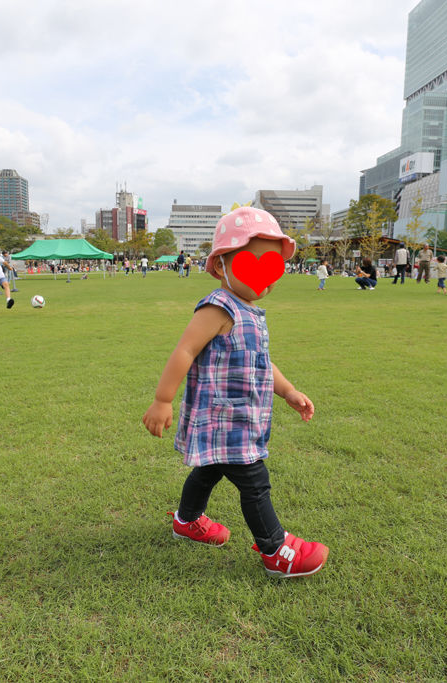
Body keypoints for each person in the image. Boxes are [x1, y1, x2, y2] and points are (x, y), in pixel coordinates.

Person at [141, 205, 329, 578]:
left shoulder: (250, 312)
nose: (264, 276)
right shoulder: (218, 308)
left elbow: (262, 362)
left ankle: (186, 520)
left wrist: (288, 391)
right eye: (251, 263)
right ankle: (275, 550)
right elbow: (184, 351)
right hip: (224, 418)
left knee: (208, 471)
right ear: (220, 265)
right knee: (254, 482)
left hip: (241, 415)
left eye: (272, 266)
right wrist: (163, 400)